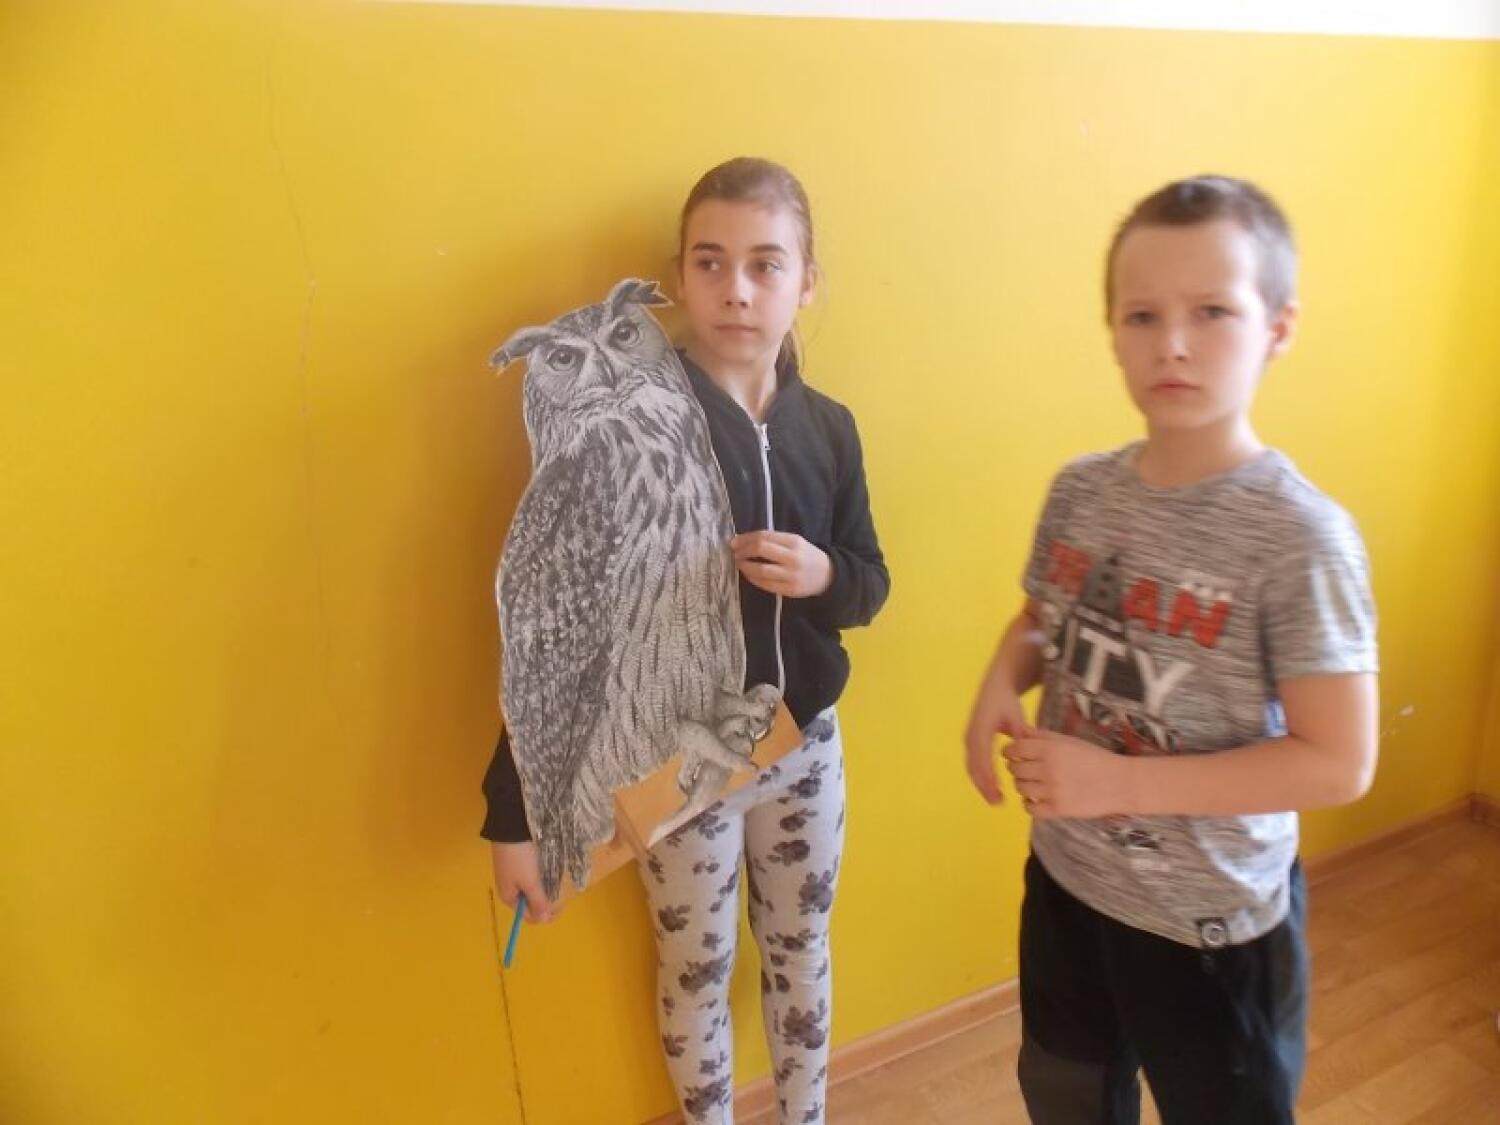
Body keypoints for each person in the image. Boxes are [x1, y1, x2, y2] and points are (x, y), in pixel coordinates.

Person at [483, 156, 889, 1125]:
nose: (737, 289)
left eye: (765, 264)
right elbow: (557, 633)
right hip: (678, 764)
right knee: (695, 968)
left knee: (800, 951)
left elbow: (870, 583)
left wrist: (823, 576)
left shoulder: (830, 430)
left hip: (803, 749)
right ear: (679, 276)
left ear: (806, 282)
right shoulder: (629, 428)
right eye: (710, 262)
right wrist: (515, 813)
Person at [964, 175, 1379, 1123]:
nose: (1173, 343)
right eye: (1142, 315)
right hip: (1067, 885)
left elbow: (1339, 760)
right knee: (1067, 1091)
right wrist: (998, 681)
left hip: (1212, 927)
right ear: (1112, 329)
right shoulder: (1080, 490)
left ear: (1278, 326)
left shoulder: (1301, 539)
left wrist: (1119, 783)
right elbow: (1043, 618)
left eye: (1212, 312)